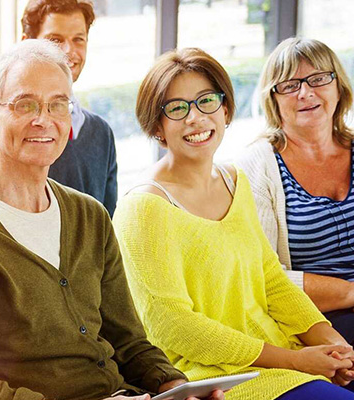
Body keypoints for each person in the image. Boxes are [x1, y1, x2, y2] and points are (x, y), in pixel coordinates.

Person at [0, 39, 202, 400]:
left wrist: (175, 387)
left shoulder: (89, 215)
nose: (44, 119)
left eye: (58, 104)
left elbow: (129, 341)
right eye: (26, 104)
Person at [114, 47, 354, 399]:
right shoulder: (143, 208)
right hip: (216, 380)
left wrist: (336, 345)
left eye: (207, 101)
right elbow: (173, 327)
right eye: (177, 108)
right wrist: (295, 360)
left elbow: (272, 282)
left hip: (283, 360)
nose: (195, 118)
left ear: (225, 110)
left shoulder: (235, 182)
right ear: (156, 126)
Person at [238, 38, 354, 342]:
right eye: (290, 85)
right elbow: (260, 277)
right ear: (273, 99)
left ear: (338, 87)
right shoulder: (257, 167)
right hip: (315, 321)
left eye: (318, 79)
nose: (306, 92)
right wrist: (350, 292)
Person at [0, 0, 118, 215]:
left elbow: (107, 223)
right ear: (26, 43)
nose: (68, 52)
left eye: (78, 39)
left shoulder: (101, 133)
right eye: (55, 40)